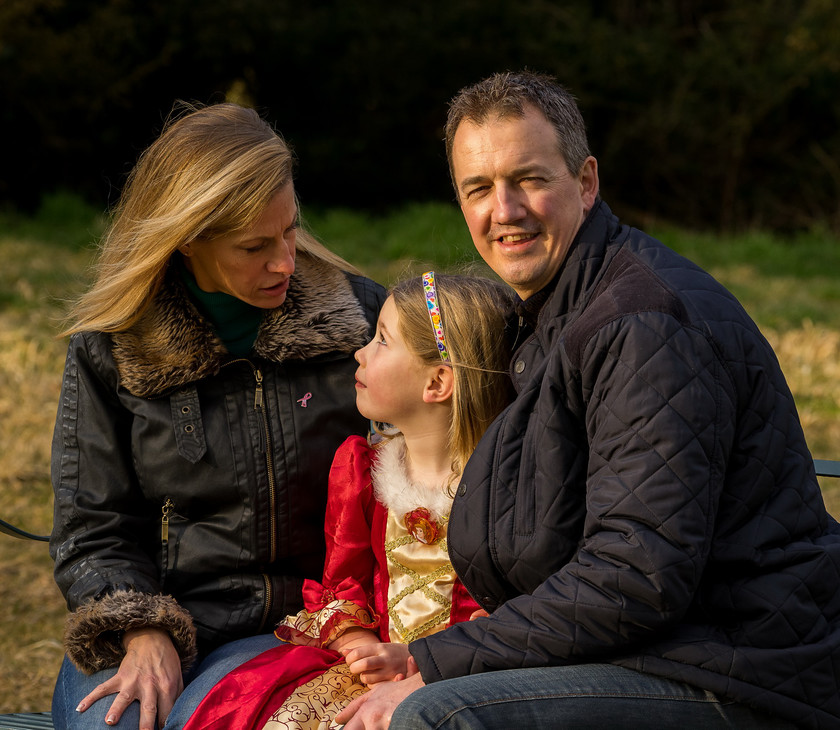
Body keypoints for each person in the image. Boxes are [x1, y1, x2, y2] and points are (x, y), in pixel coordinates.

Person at [337, 71, 840, 729]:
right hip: (662, 648)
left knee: (438, 716)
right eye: (479, 189)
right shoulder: (556, 310)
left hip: (740, 670)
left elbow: (637, 575)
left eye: (531, 179)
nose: (505, 210)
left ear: (586, 182)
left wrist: (444, 661)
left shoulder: (641, 325)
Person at [48, 101, 385, 730]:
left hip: (321, 627)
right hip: (166, 626)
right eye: (255, 246)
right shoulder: (109, 346)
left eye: (291, 230)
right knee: (119, 722)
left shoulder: (361, 322)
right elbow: (94, 526)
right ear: (184, 242)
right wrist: (142, 628)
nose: (286, 260)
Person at [178, 271, 514, 729]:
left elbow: (511, 616)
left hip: (461, 681)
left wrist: (421, 660)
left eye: (381, 340)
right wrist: (356, 640)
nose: (360, 351)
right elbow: (342, 583)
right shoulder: (362, 471)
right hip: (367, 671)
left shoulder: (502, 492)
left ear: (437, 382)